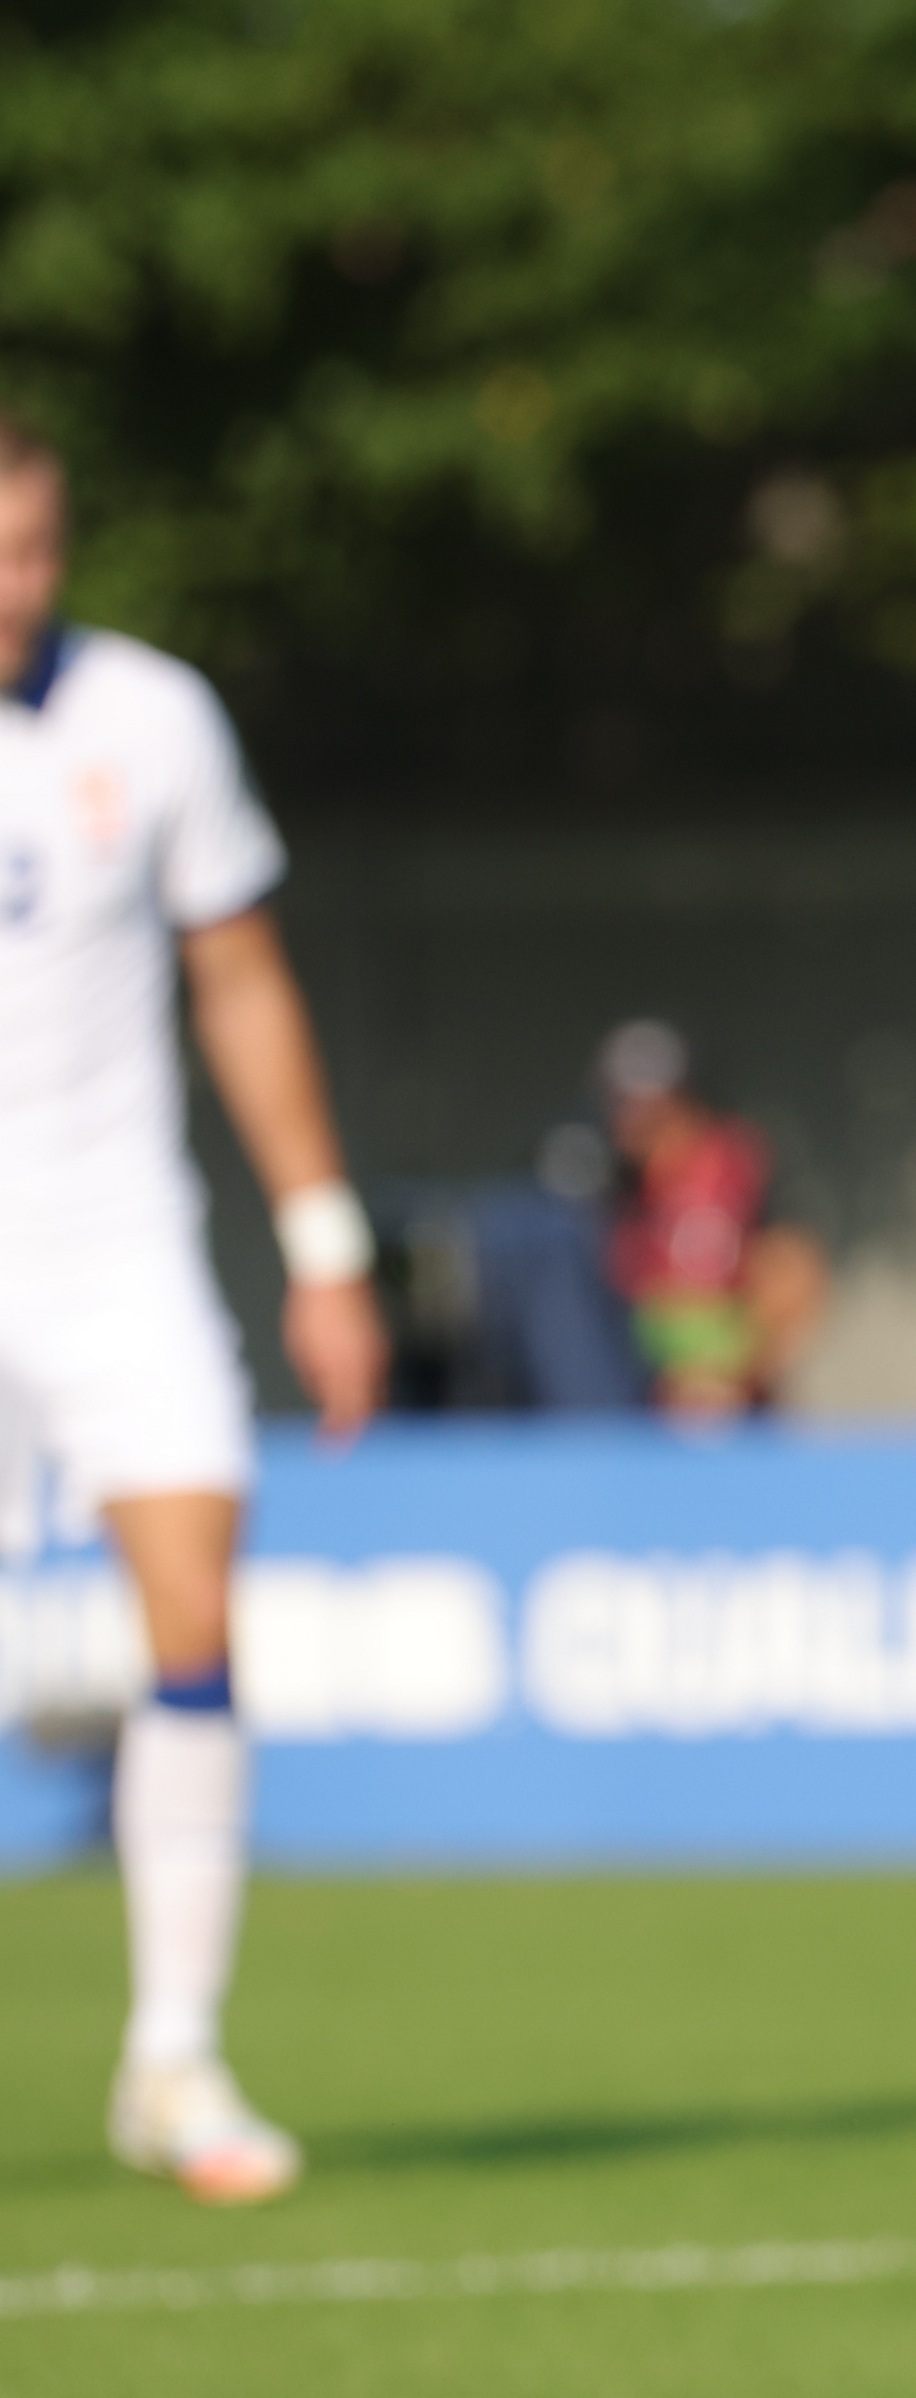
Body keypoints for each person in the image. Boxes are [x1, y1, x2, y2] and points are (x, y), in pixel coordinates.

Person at [0, 411, 381, 2205]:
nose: (20, 585)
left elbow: (238, 977)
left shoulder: (151, 719)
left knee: (194, 1604)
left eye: (39, 549)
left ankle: (174, 2057)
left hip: (116, 1245)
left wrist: (322, 1247)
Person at [593, 1020, 824, 1414]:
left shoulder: (737, 1163)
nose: (630, 1116)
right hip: (645, 1420)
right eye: (621, 1099)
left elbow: (795, 1276)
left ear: (683, 1096)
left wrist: (733, 1372)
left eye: (645, 1100)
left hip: (739, 1416)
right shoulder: (618, 1186)